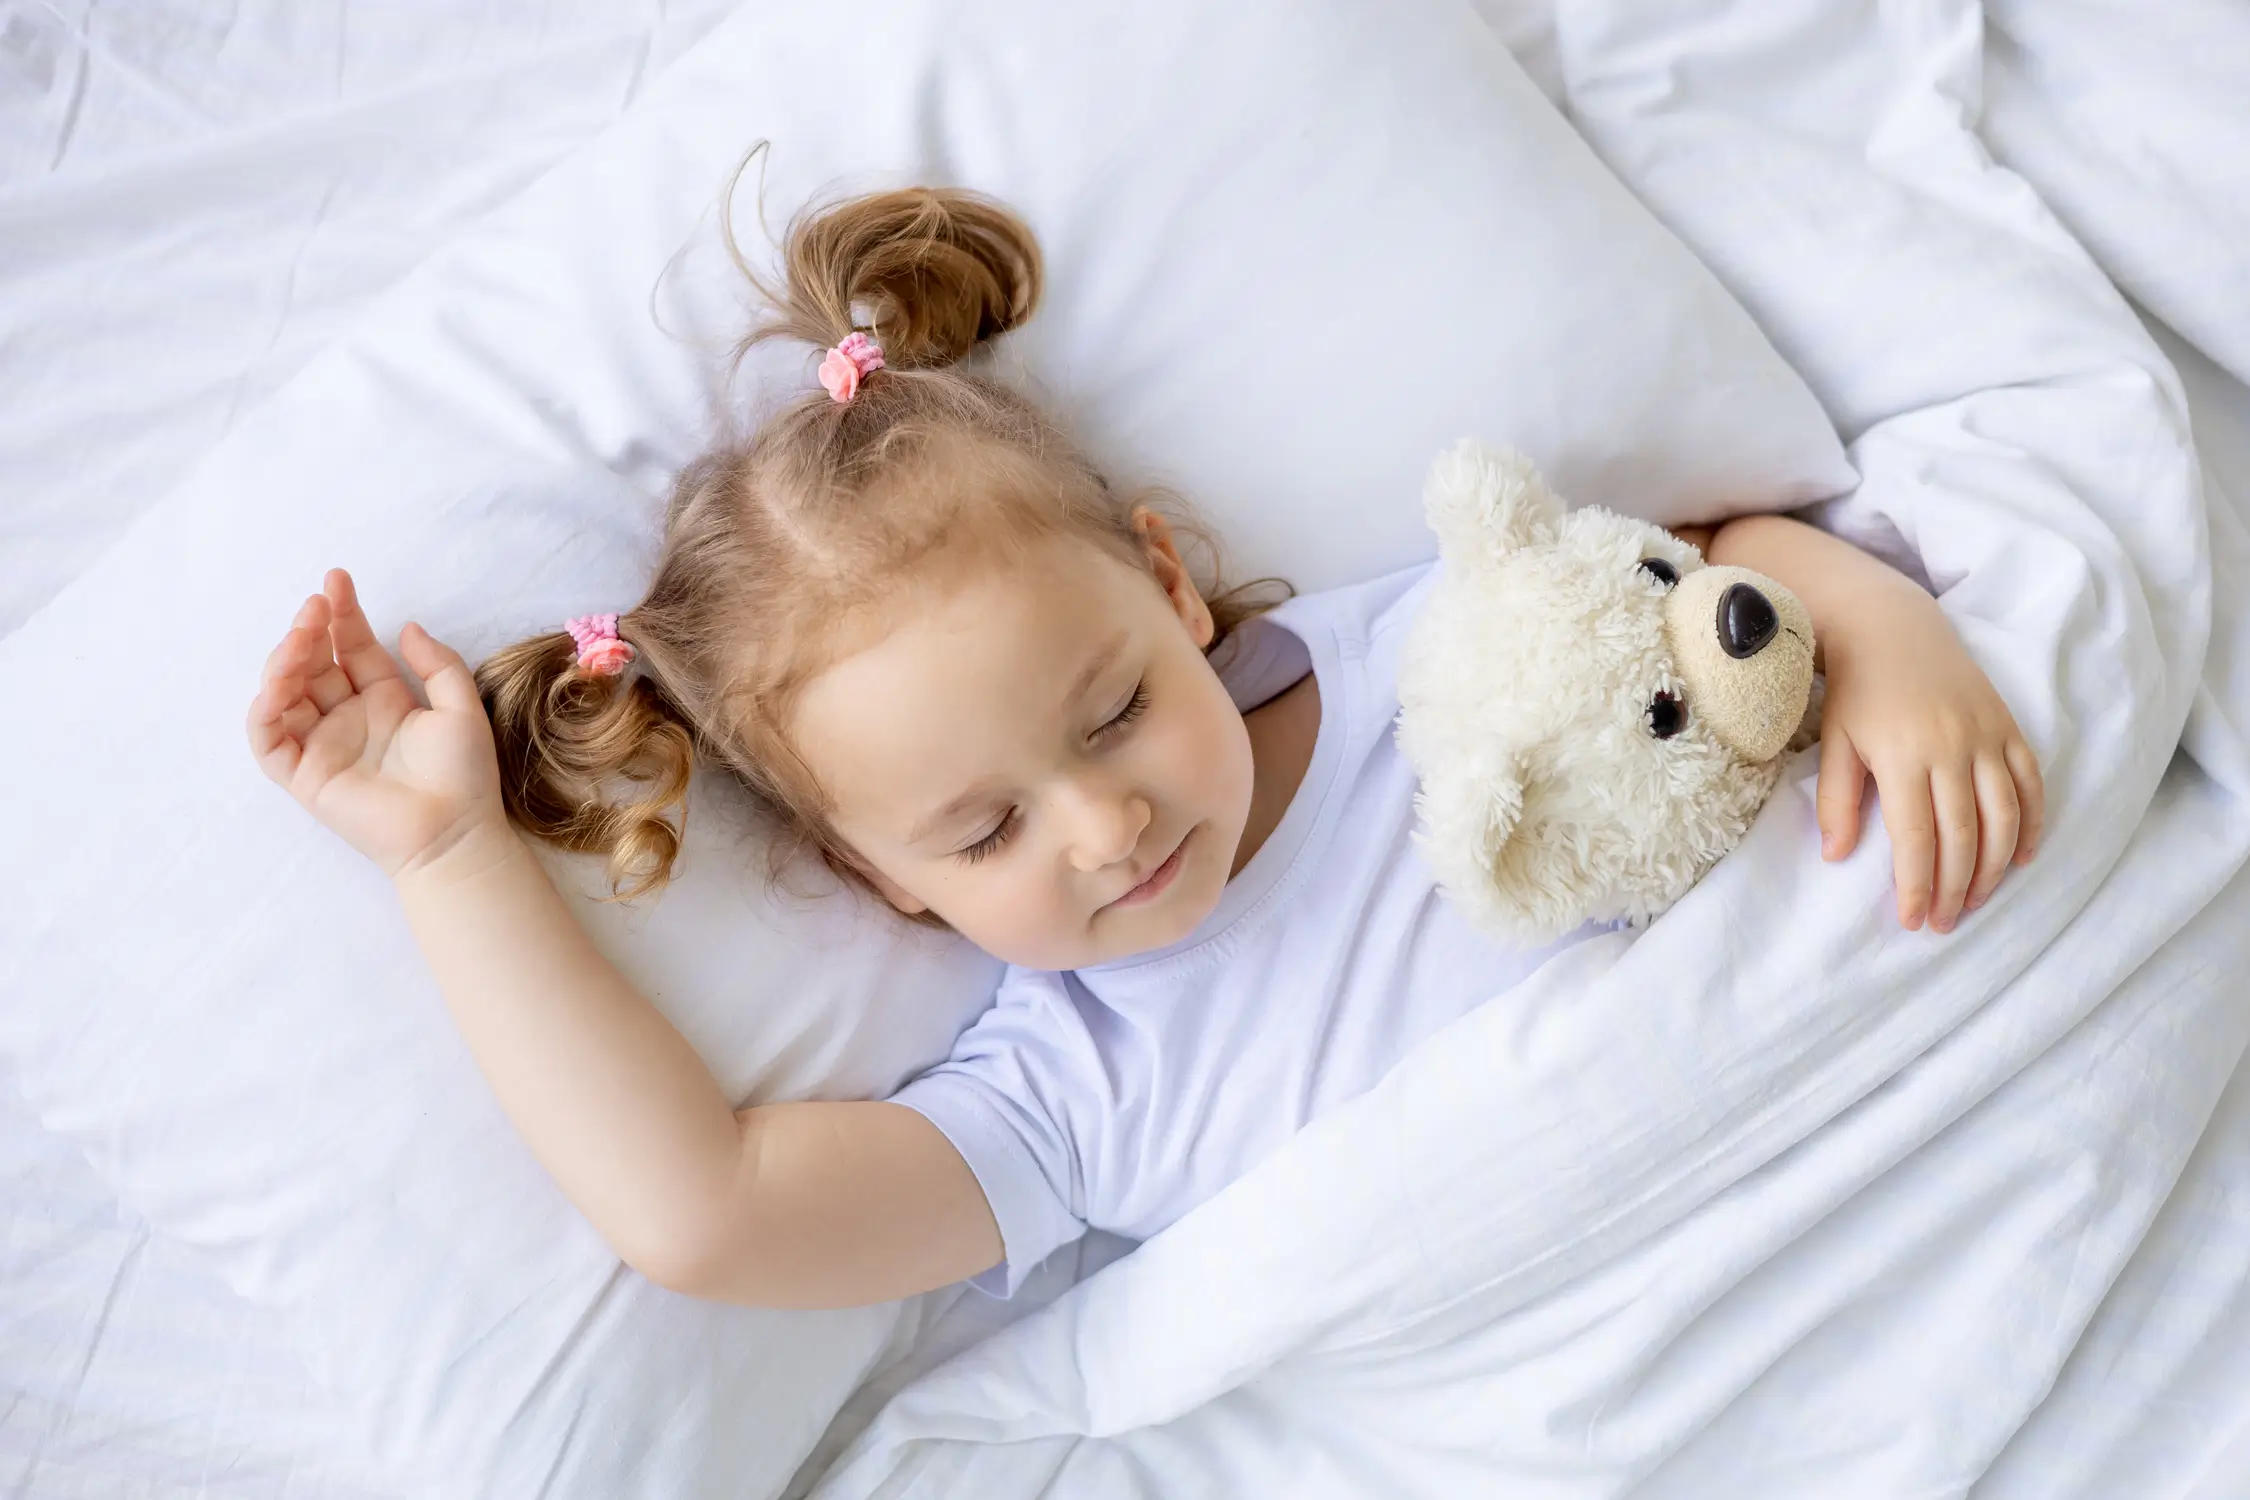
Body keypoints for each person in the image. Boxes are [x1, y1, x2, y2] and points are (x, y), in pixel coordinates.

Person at [245, 186, 2043, 1311]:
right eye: (981, 834)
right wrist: (449, 856)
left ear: (1169, 582)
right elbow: (706, 1215)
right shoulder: (1070, 1091)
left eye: (1110, 710)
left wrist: (1877, 631)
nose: (1105, 825)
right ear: (881, 883)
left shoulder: (1431, 642)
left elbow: (1697, 583)